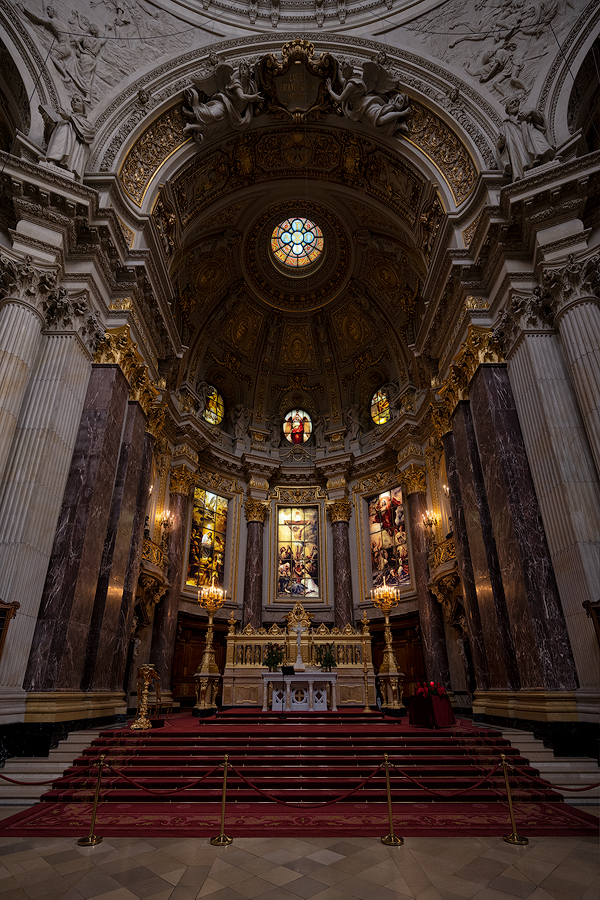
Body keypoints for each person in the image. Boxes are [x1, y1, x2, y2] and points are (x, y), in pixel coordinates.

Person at [42, 95, 95, 181]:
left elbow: (90, 134)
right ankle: (52, 161)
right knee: (64, 125)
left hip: (75, 147)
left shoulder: (86, 122)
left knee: (66, 126)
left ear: (83, 107)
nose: (74, 101)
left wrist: (70, 118)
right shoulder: (63, 117)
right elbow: (49, 137)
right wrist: (49, 124)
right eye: (73, 100)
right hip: (64, 133)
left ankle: (62, 164)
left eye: (77, 100)